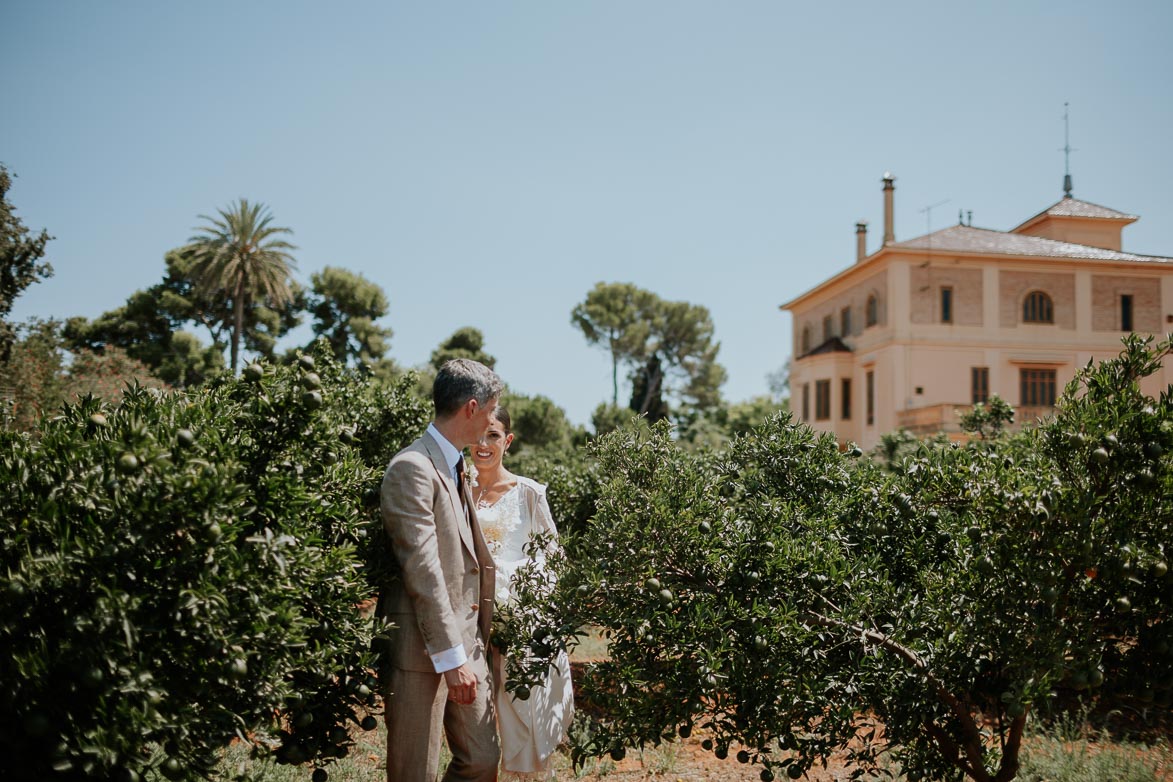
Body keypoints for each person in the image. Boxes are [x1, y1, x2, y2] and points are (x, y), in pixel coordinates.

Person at [379, 358, 504, 782]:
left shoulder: (456, 465)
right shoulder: (411, 468)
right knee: (415, 773)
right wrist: (451, 658)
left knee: (483, 759)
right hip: (421, 648)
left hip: (467, 641)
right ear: (472, 408)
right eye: (491, 411)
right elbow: (424, 570)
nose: (492, 421)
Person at [469, 406, 574, 779]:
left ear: (507, 441)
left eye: (493, 435)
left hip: (520, 625)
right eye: (478, 435)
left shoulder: (528, 493)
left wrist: (521, 604)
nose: (484, 444)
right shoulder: (456, 489)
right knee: (475, 728)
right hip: (468, 623)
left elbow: (552, 558)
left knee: (522, 717)